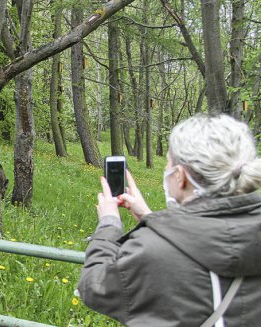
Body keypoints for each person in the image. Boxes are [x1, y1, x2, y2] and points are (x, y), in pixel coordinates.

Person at [79, 114, 261, 326]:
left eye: (167, 162)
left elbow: (95, 287)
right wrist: (149, 218)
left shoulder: (151, 251)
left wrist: (108, 225)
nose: (166, 169)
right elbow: (215, 241)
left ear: (180, 176)